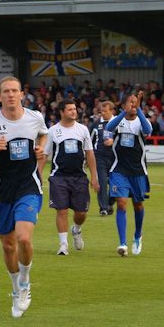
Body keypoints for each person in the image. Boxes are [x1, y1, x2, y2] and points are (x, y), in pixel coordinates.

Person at [0, 76, 48, 318]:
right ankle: (15, 288)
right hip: (2, 192)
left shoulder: (35, 117)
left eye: (14, 91)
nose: (11, 95)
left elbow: (44, 134)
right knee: (8, 246)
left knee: (24, 238)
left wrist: (41, 148)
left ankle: (25, 282)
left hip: (28, 188)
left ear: (22, 94)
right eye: (6, 91)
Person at [45, 100, 99, 255]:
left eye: (74, 109)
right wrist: (37, 174)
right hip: (58, 177)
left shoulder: (83, 129)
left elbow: (89, 153)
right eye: (69, 109)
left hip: (79, 177)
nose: (74, 111)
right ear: (62, 112)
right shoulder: (53, 131)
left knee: (81, 213)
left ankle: (76, 229)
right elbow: (45, 154)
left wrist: (94, 177)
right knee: (61, 211)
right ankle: (63, 245)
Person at [105, 91, 152, 257]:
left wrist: (139, 110)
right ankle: (122, 243)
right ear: (124, 105)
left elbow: (148, 130)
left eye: (135, 102)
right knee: (121, 203)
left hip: (138, 171)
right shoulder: (118, 121)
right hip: (119, 170)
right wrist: (123, 113)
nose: (133, 105)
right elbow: (109, 128)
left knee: (138, 205)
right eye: (130, 102)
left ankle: (138, 236)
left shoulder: (142, 121)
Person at [91, 100, 116, 215]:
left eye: (105, 111)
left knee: (115, 183)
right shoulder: (96, 124)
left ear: (112, 111)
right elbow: (89, 141)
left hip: (115, 158)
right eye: (101, 111)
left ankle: (110, 202)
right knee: (102, 182)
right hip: (99, 157)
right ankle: (103, 208)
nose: (103, 113)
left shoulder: (119, 123)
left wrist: (113, 141)